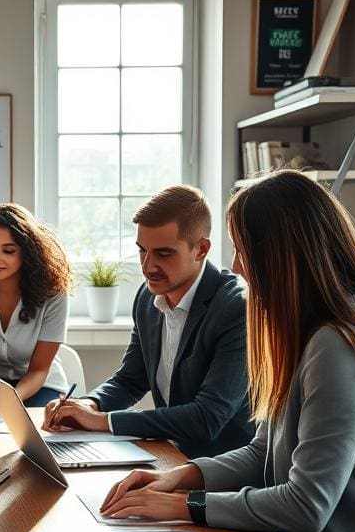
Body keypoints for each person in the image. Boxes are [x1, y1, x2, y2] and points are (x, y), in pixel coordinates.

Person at [101, 170, 355, 532]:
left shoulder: (338, 341)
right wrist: (179, 478)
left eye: (244, 251)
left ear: (283, 254)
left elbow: (307, 504)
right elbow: (264, 452)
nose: (238, 266)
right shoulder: (307, 329)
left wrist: (185, 505)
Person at [42, 184, 252, 459]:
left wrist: (104, 421)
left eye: (163, 254)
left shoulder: (235, 307)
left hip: (224, 467)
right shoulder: (147, 297)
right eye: (142, 250)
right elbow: (130, 380)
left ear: (201, 249)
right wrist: (88, 405)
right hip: (169, 454)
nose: (147, 266)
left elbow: (207, 418)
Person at [0, 203, 72, 410]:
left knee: (33, 426)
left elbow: (39, 370)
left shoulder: (54, 295)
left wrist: (10, 399)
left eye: (8, 251)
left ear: (28, 252)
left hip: (40, 386)